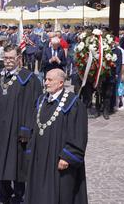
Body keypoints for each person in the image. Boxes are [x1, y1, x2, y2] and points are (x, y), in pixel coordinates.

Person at [0, 44, 42, 204]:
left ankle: (19, 194)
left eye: (11, 58)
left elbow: (33, 106)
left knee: (17, 162)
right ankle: (4, 193)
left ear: (19, 58)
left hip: (17, 128)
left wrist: (26, 129)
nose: (7, 61)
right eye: (5, 58)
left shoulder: (29, 79)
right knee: (0, 160)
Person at [25, 68, 88, 204]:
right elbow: (34, 127)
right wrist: (30, 148)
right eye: (45, 79)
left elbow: (78, 132)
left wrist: (68, 156)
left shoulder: (73, 103)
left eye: (49, 80)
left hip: (58, 158)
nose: (45, 82)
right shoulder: (41, 100)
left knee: (61, 193)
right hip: (40, 157)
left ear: (60, 83)